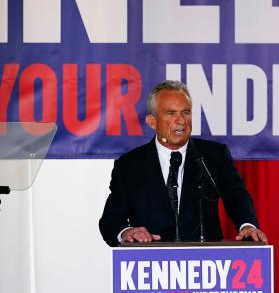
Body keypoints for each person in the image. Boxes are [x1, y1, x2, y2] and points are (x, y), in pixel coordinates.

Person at [98, 80, 268, 245]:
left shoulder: (213, 156)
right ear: (152, 121)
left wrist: (247, 225)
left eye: (186, 112)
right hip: (151, 266)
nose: (181, 120)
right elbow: (111, 219)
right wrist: (126, 231)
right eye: (171, 113)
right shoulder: (129, 165)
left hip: (206, 263)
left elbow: (237, 197)